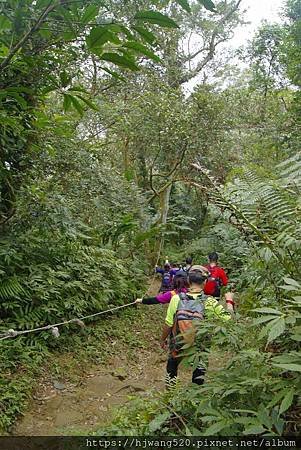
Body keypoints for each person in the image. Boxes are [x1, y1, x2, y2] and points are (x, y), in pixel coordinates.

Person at [160, 265, 230, 387]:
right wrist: (229, 301)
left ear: (188, 281)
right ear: (205, 282)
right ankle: (196, 394)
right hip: (200, 344)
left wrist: (162, 339)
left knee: (172, 364)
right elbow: (229, 319)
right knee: (200, 366)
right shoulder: (210, 301)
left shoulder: (176, 298)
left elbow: (169, 324)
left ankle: (170, 394)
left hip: (179, 342)